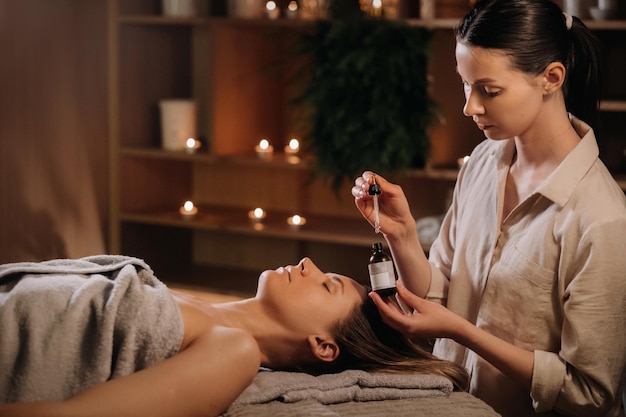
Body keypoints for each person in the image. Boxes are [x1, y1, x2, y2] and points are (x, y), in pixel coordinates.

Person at [352, 0, 626, 416]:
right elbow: (438, 291)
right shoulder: (483, 161)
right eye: (465, 84)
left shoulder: (602, 219)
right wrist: (401, 233)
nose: (470, 106)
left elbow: (590, 394)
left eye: (489, 90)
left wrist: (461, 332)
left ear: (551, 78)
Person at [0, 255, 468, 417]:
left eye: (327, 284)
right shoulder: (191, 303)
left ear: (324, 346)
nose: (308, 264)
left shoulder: (236, 351)